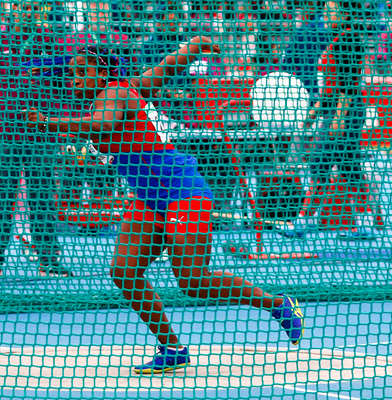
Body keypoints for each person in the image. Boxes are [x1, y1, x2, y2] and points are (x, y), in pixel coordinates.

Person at [26, 36, 304, 374]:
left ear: (102, 74)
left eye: (81, 71)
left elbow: (103, 126)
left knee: (193, 282)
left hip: (183, 193)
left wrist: (50, 124)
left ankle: (279, 304)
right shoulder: (129, 88)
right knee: (124, 271)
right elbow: (165, 68)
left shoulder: (113, 93)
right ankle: (171, 347)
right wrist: (194, 46)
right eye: (72, 74)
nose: (75, 79)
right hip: (148, 197)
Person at [0, 1, 69, 279]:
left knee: (42, 199)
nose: (29, 12)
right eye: (24, 7)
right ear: (13, 9)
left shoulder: (50, 43)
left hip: (42, 133)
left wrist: (57, 122)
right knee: (1, 199)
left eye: (35, 8)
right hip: (3, 134)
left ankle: (49, 260)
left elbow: (63, 84)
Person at [280, 0, 383, 240]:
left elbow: (347, 86)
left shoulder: (348, 40)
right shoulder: (338, 39)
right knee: (347, 167)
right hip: (336, 110)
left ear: (346, 14)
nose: (326, 15)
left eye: (331, 11)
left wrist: (338, 118)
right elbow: (331, 86)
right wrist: (313, 113)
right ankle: (362, 224)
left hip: (345, 112)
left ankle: (304, 222)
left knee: (321, 164)